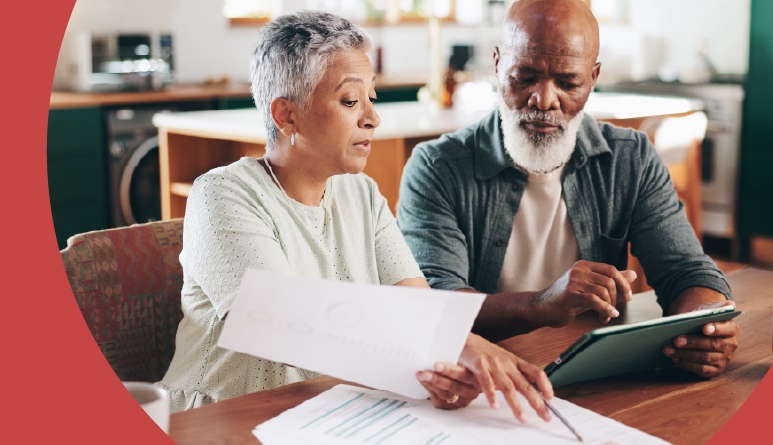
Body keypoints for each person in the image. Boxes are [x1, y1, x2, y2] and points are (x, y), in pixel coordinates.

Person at [158, 10, 555, 423]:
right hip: (218, 419)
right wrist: (453, 341)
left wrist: (437, 367)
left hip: (326, 411)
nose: (372, 117)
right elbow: (278, 319)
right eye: (350, 101)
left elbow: (414, 304)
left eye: (372, 97)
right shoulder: (221, 194)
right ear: (286, 115)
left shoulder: (361, 193)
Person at [396, 0, 739, 379]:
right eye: (524, 77)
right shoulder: (436, 167)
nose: (544, 100)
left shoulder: (631, 159)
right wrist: (542, 305)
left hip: (597, 375)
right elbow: (434, 305)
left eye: (568, 82)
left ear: (592, 77)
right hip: (484, 379)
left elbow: (685, 270)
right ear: (496, 65)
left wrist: (706, 325)